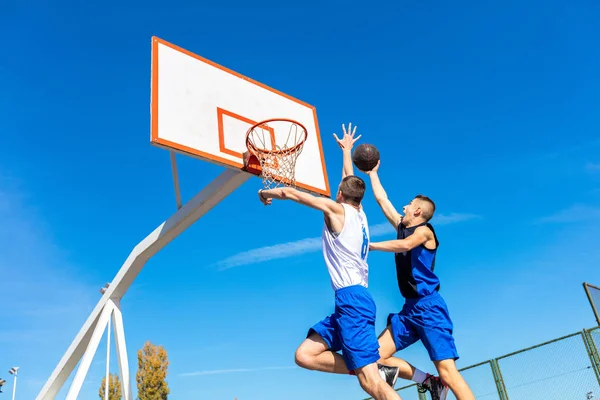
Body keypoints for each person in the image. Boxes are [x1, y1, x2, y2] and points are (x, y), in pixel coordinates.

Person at [257, 124, 402, 400]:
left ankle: (372, 372)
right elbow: (349, 179)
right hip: (349, 302)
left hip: (353, 301)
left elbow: (293, 194)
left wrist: (266, 193)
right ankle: (370, 368)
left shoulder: (336, 209)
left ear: (340, 195)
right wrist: (347, 151)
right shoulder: (359, 215)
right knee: (305, 355)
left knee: (371, 385)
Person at [363, 160, 476, 400]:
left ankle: (440, 381)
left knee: (448, 372)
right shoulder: (403, 226)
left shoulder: (425, 232)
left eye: (409, 204)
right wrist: (373, 174)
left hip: (430, 307)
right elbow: (383, 200)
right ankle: (428, 382)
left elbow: (405, 246)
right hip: (409, 309)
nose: (403, 207)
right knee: (374, 357)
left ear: (417, 212)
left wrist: (369, 246)